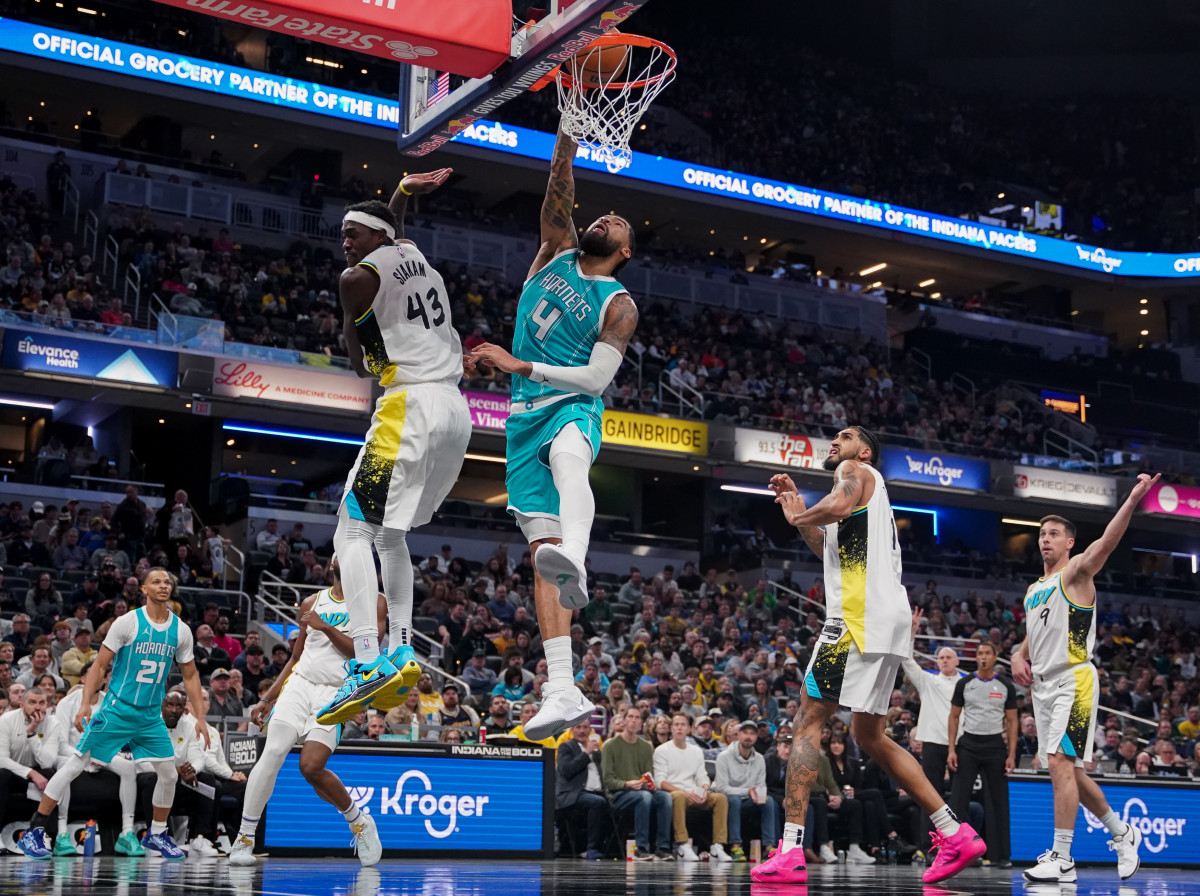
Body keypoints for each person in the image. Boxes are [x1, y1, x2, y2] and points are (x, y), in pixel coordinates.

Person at [463, 117, 639, 742]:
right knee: (542, 561)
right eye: (605, 214)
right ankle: (562, 687)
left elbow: (593, 382)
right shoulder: (554, 249)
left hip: (568, 404)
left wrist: (520, 363)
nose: (609, 215)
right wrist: (569, 129)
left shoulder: (619, 303)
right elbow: (557, 187)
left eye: (619, 222)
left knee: (569, 458)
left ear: (624, 251)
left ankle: (582, 558)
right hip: (520, 419)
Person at [753, 427, 985, 885]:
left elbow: (836, 503)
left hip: (856, 619)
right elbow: (828, 546)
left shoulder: (854, 470)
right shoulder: (868, 503)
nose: (835, 442)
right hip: (887, 621)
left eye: (846, 435)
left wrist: (804, 517)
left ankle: (790, 850)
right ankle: (954, 831)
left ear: (866, 451)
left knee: (808, 720)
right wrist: (799, 513)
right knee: (870, 733)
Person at [318, 169, 472, 725]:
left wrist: (357, 319)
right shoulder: (412, 253)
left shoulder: (354, 279)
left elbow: (361, 363)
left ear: (372, 235)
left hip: (408, 406)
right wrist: (401, 192)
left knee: (350, 529)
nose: (345, 241)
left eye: (351, 232)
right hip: (456, 411)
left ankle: (365, 658)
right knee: (389, 533)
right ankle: (402, 647)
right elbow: (392, 228)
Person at [1011, 480, 1159, 883]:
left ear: (1070, 543)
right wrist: (1017, 653)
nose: (1045, 540)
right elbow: (1035, 630)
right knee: (1068, 770)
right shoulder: (1034, 589)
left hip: (1073, 679)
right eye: (1041, 534)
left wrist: (1130, 501)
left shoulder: (1075, 574)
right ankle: (1121, 832)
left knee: (1059, 762)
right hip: (1042, 686)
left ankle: (1062, 857)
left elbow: (1106, 545)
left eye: (1053, 534)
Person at [18, 568, 209, 859]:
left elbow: (192, 675)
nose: (163, 586)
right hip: (118, 709)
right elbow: (99, 665)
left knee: (168, 775)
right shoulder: (128, 622)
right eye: (156, 581)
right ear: (144, 588)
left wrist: (201, 718)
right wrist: (84, 702)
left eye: (167, 582)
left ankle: (157, 834)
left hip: (149, 716)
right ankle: (35, 830)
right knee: (75, 765)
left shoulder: (180, 630)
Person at [232, 559, 385, 866]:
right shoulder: (312, 601)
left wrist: (326, 627)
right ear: (332, 564)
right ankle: (244, 839)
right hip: (300, 685)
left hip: (336, 692)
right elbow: (294, 659)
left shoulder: (375, 601)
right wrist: (267, 698)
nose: (346, 553)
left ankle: (358, 821)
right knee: (273, 752)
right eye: (340, 550)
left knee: (310, 767)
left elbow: (366, 653)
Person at [947, 640, 1017, 867]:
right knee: (958, 799)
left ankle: (1001, 855)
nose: (983, 657)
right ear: (976, 657)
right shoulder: (965, 683)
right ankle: (955, 851)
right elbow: (954, 717)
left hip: (995, 745)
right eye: (980, 653)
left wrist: (1011, 754)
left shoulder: (1006, 685)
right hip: (968, 744)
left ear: (995, 657)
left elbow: (1013, 721)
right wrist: (951, 749)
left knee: (998, 800)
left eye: (988, 653)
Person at [902, 610, 963, 849]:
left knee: (959, 797)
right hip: (933, 744)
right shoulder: (929, 681)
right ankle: (927, 847)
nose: (945, 660)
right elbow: (907, 661)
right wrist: (913, 632)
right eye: (941, 658)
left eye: (949, 657)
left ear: (957, 661)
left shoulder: (966, 683)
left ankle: (959, 843)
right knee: (929, 796)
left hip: (960, 744)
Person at [653, 713, 732, 862]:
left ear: (689, 729)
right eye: (676, 725)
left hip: (694, 793)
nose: (679, 728)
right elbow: (660, 782)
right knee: (679, 796)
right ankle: (683, 845)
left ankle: (717, 846)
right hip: (675, 794)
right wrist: (684, 791)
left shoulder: (695, 751)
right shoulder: (662, 751)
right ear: (671, 728)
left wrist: (704, 789)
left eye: (683, 725)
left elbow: (702, 775)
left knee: (720, 798)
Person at [602, 707, 673, 861]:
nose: (634, 721)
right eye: (631, 717)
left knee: (665, 797)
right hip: (618, 794)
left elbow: (648, 776)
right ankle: (641, 847)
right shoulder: (610, 745)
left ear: (641, 722)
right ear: (624, 720)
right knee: (644, 797)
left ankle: (663, 847)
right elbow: (607, 780)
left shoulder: (646, 747)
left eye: (637, 718)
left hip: (641, 790)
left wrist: (647, 784)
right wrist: (626, 784)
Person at [714, 719, 780, 860]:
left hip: (749, 800)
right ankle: (735, 847)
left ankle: (769, 847)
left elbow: (761, 786)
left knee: (769, 801)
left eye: (752, 733)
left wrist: (760, 796)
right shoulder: (723, 757)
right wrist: (748, 791)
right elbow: (721, 788)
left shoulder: (760, 759)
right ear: (738, 735)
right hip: (728, 799)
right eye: (745, 732)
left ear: (756, 737)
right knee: (735, 799)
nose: (748, 736)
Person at [556, 720, 611, 859]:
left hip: (598, 792)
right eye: (578, 727)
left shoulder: (597, 752)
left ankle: (612, 848)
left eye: (585, 727)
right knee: (597, 802)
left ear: (590, 730)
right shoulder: (566, 747)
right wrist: (586, 754)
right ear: (572, 730)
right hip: (574, 793)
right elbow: (567, 771)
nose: (582, 731)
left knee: (616, 802)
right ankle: (591, 848)